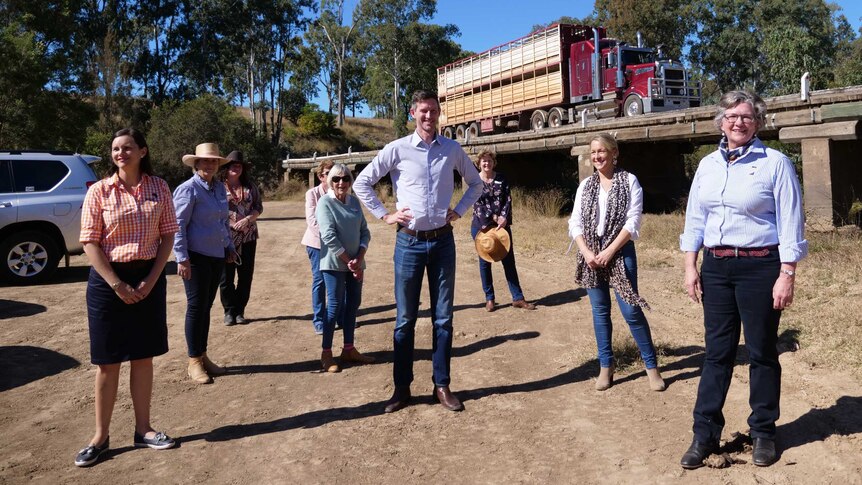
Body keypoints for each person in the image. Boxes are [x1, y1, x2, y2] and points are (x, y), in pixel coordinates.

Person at [679, 90, 807, 469]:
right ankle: (704, 435)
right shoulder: (707, 166)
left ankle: (764, 432)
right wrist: (691, 265)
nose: (738, 122)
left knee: (762, 351)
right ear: (720, 121)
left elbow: (790, 223)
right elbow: (694, 220)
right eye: (732, 116)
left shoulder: (775, 163)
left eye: (747, 117)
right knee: (716, 353)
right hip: (717, 268)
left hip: (760, 267)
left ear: (758, 123)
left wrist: (787, 274)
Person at [353, 89, 483, 413]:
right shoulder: (397, 149)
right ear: (413, 113)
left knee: (443, 319)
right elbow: (362, 183)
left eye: (434, 111)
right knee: (405, 319)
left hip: (442, 242)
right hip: (408, 242)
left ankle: (442, 385)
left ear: (439, 114)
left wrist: (459, 210)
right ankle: (402, 389)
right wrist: (385, 214)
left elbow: (476, 183)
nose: (429, 116)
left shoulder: (452, 149)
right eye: (423, 111)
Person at [76, 128, 177, 467]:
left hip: (148, 276)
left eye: (128, 147)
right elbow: (90, 241)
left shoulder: (159, 187)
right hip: (108, 280)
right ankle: (100, 437)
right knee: (107, 362)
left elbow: (167, 236)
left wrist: (151, 279)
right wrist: (117, 284)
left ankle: (144, 430)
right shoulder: (99, 191)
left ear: (143, 151)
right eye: (116, 149)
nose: (121, 153)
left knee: (143, 356)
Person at [568, 133, 665, 393]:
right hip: (590, 256)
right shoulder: (585, 186)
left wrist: (609, 251)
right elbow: (575, 222)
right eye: (593, 153)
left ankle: (651, 367)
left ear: (614, 153)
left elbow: (633, 222)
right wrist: (587, 252)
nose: (597, 156)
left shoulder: (629, 181)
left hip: (620, 253)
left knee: (631, 311)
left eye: (602, 151)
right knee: (600, 313)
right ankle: (606, 367)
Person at [174, 142, 237, 385]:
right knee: (196, 307)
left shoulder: (219, 188)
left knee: (207, 307)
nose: (209, 164)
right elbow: (178, 225)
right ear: (196, 163)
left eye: (213, 161)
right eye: (205, 161)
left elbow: (223, 221)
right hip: (195, 256)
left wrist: (229, 246)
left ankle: (203, 355)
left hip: (216, 254)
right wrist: (182, 258)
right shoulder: (188, 189)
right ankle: (193, 361)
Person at [315, 163, 376, 372]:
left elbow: (365, 232)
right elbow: (328, 236)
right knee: (334, 307)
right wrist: (349, 260)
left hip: (356, 264)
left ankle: (349, 349)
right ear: (330, 182)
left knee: (353, 305)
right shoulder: (325, 203)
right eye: (336, 179)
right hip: (333, 264)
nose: (341, 183)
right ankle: (326, 353)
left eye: (346, 179)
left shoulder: (354, 202)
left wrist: (359, 257)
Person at [471, 149, 536, 312]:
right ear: (479, 163)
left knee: (509, 261)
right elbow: (477, 204)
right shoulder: (474, 181)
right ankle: (489, 298)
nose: (487, 163)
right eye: (484, 161)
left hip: (502, 227)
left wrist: (504, 217)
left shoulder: (501, 178)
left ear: (493, 162)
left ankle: (518, 298)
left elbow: (508, 199)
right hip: (482, 227)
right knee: (485, 263)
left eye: (489, 160)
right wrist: (494, 217)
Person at [219, 150, 263, 325]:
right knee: (226, 277)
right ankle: (229, 311)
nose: (236, 168)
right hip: (225, 237)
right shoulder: (217, 186)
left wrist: (247, 219)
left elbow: (258, 207)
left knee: (245, 276)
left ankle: (240, 311)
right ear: (226, 168)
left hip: (248, 236)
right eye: (232, 165)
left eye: (239, 165)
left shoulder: (250, 186)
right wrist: (227, 225)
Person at [302, 160, 344, 335]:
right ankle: (319, 320)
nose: (333, 177)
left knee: (340, 282)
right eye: (328, 173)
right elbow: (312, 221)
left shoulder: (340, 194)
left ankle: (339, 318)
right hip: (317, 244)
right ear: (320, 176)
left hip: (338, 245)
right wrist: (331, 238)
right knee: (319, 281)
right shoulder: (312, 194)